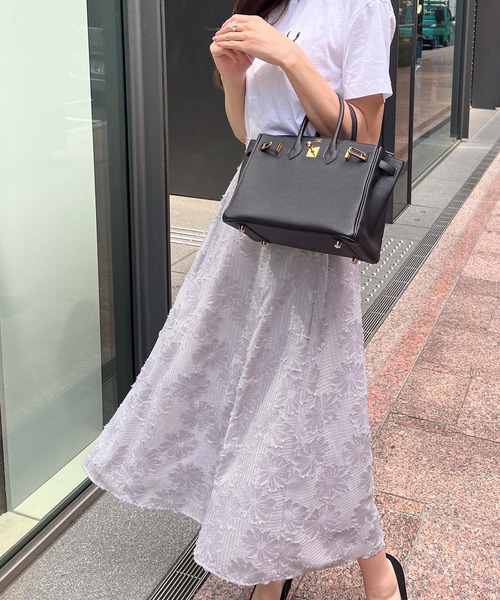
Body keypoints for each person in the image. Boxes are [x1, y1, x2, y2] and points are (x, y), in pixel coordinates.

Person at [83, 1, 408, 599]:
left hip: (311, 223)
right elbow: (250, 133)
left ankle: (345, 567)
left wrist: (287, 56)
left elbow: (364, 135)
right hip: (251, 216)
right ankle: (310, 564)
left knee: (299, 400)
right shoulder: (271, 5)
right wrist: (235, 79)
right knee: (242, 391)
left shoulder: (361, 5)